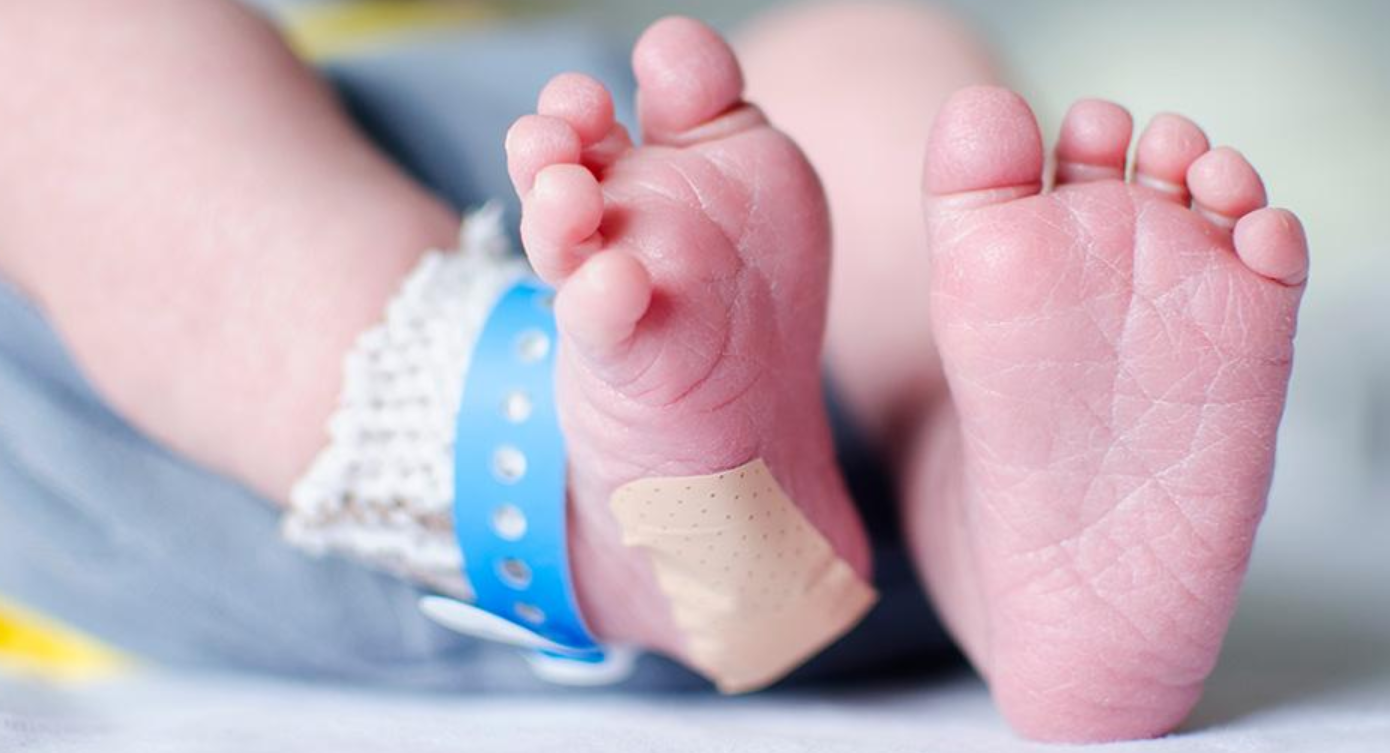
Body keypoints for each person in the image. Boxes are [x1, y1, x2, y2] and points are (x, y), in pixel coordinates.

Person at [0, 0, 1307, 742]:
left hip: (765, 448)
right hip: (162, 404)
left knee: (872, 55)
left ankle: (977, 527)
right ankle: (553, 470)